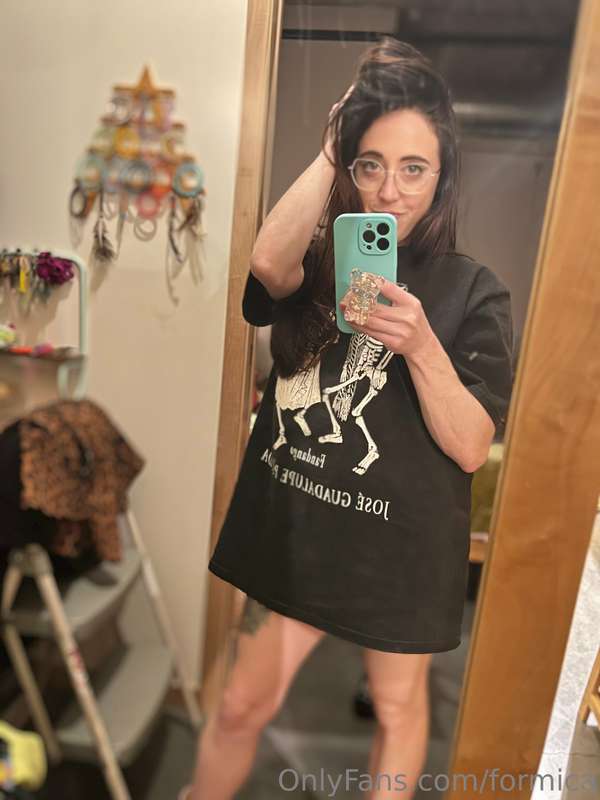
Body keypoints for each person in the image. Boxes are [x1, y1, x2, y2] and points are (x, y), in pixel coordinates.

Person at [180, 37, 514, 800]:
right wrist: (335, 142)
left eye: (414, 168)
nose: (390, 189)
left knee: (397, 710)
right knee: (236, 706)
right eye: (371, 164)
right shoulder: (317, 255)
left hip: (399, 551)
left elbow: (471, 445)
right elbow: (267, 267)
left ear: (442, 177)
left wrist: (420, 345)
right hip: (298, 529)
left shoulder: (475, 293)